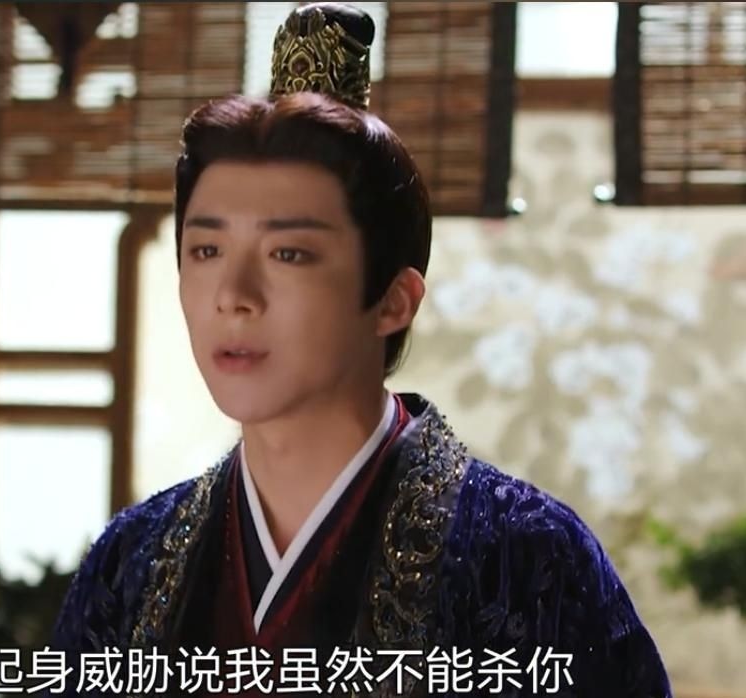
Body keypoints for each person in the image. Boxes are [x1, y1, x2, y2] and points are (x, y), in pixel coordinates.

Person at [53, 3, 672, 696]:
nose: (234, 295)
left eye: (289, 253)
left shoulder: (528, 558)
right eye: (206, 250)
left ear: (393, 300)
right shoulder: (131, 561)